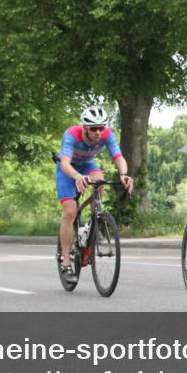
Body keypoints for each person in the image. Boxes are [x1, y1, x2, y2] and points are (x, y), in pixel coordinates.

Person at [56, 105, 134, 282]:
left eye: (101, 128)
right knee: (70, 212)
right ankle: (66, 262)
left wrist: (123, 174)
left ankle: (95, 221)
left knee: (99, 180)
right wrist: (77, 177)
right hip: (68, 170)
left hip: (87, 165)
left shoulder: (107, 135)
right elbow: (65, 163)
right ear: (84, 127)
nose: (98, 132)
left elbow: (119, 158)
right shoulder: (72, 134)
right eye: (94, 129)